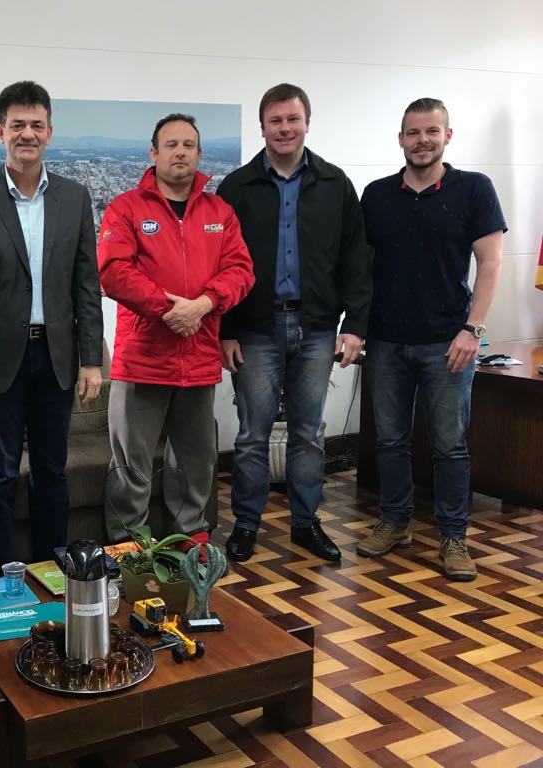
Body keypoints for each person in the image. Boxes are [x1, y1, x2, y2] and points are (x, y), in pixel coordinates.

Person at [0, 81, 105, 577]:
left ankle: (53, 573)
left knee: (51, 471)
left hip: (57, 357)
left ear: (50, 132)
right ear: (0, 131)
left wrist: (91, 359)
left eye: (37, 125)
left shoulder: (74, 197)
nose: (27, 134)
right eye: (17, 125)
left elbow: (87, 284)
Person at [216, 83, 371, 564]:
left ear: (307, 122)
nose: (285, 128)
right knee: (251, 436)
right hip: (255, 329)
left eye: (293, 119)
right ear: (262, 126)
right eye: (276, 120)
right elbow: (220, 266)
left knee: (308, 433)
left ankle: (306, 523)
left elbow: (356, 259)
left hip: (317, 326)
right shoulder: (236, 188)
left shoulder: (336, 184)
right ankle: (246, 524)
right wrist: (225, 330)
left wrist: (355, 324)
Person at [358, 97, 506, 581]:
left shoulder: (474, 189)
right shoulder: (376, 195)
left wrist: (473, 329)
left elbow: (490, 263)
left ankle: (454, 537)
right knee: (389, 441)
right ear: (400, 139)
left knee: (450, 446)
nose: (422, 141)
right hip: (385, 341)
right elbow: (360, 267)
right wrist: (354, 327)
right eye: (413, 132)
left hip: (449, 342)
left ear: (447, 136)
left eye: (431, 131)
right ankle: (395, 521)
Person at [98, 113, 253, 543]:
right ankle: (129, 548)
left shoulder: (219, 212)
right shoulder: (126, 208)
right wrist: (170, 309)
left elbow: (241, 270)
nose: (180, 152)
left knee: (195, 462)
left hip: (198, 358)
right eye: (171, 144)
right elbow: (113, 272)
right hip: (142, 359)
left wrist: (203, 305)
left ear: (199, 154)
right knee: (130, 465)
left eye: (188, 145)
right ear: (154, 153)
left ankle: (192, 543)